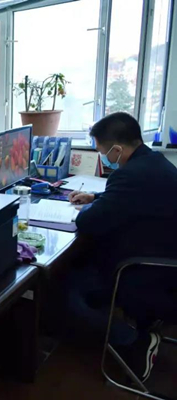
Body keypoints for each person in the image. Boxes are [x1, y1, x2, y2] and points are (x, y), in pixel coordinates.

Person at [66, 112, 177, 382]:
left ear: (116, 149)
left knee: (63, 287)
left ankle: (133, 341)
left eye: (101, 151)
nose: (102, 157)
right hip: (166, 263)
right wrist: (97, 197)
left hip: (145, 272)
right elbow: (137, 196)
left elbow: (87, 222)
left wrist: (92, 207)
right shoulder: (154, 163)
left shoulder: (130, 176)